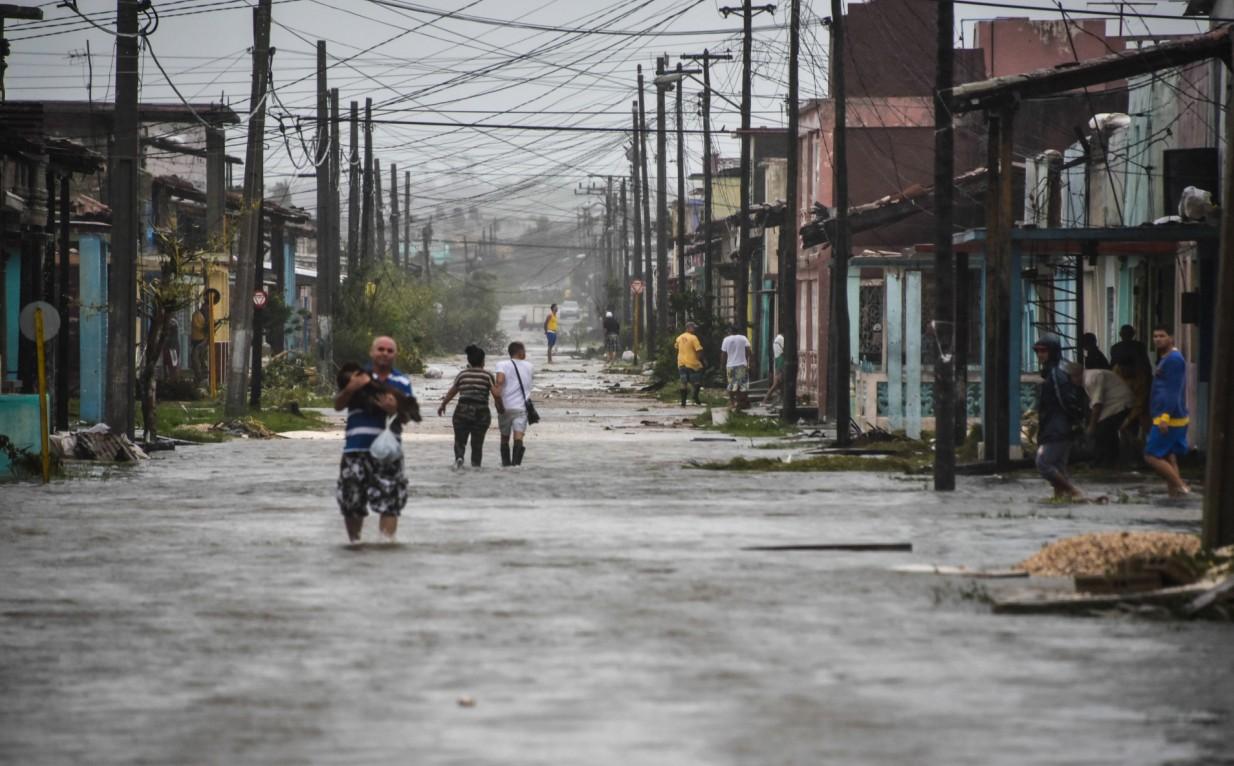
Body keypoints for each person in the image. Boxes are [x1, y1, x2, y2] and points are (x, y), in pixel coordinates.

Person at [333, 335, 414, 542]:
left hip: (388, 453)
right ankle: (355, 544)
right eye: (380, 349)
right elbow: (338, 405)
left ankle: (386, 546)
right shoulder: (358, 376)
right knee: (352, 503)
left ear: (395, 355)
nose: (385, 353)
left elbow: (406, 417)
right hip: (355, 450)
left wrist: (394, 409)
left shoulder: (402, 382)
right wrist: (351, 388)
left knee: (390, 502)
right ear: (372, 352)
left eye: (389, 350)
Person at [1033, 335, 1088, 501]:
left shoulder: (1057, 374)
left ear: (1053, 352)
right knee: (1058, 466)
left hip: (1058, 428)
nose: (1040, 355)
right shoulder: (1052, 373)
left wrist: (1073, 422)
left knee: (1043, 464)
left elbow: (1066, 401)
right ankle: (1062, 498)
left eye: (1044, 351)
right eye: (1037, 351)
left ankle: (1073, 492)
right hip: (1054, 426)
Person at [438, 344, 502, 469]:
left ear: (469, 361)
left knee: (460, 440)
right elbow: (495, 394)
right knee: (477, 444)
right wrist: (500, 407)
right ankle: (476, 467)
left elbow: (452, 391)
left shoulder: (462, 375)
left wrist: (443, 404)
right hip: (481, 412)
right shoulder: (487, 375)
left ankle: (459, 458)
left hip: (462, 410)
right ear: (483, 361)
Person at [1144, 325, 1190, 496]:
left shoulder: (1174, 360)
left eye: (1162, 336)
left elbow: (1173, 389)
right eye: (1155, 336)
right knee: (1168, 456)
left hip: (1169, 417)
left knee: (1151, 455)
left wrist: (1165, 416)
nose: (1157, 339)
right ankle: (1175, 493)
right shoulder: (1166, 358)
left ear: (1171, 337)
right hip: (1165, 415)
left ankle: (1181, 487)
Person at [1082, 367, 1133, 468]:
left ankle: (1107, 461)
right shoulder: (1089, 378)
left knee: (1104, 430)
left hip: (1120, 404)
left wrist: (1092, 426)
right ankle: (1107, 460)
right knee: (1105, 429)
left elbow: (1097, 404)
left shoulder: (1092, 378)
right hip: (1115, 404)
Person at [495, 341, 535, 466]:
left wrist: (498, 403)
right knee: (518, 438)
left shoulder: (501, 364)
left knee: (504, 438)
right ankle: (516, 466)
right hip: (521, 409)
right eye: (524, 351)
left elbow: (499, 382)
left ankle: (505, 465)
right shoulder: (530, 366)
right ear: (520, 352)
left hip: (505, 408)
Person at [1110, 324, 1152, 437]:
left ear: (1120, 335)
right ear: (1133, 334)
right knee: (1138, 414)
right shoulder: (1139, 347)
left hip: (1122, 391)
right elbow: (1147, 367)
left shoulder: (1115, 349)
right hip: (1137, 385)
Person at [720, 326, 754, 411]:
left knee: (732, 385)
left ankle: (732, 403)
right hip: (742, 365)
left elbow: (723, 354)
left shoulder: (726, 340)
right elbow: (749, 351)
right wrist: (750, 362)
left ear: (729, 332)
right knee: (743, 386)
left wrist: (722, 365)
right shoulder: (743, 338)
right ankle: (741, 403)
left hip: (730, 365)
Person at [674, 320, 705, 407]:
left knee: (683, 382)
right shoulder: (693, 338)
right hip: (693, 363)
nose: (694, 329)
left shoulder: (679, 338)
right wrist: (701, 360)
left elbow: (676, 347)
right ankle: (695, 396)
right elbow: (698, 350)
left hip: (681, 363)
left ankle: (683, 402)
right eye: (693, 327)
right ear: (688, 328)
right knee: (697, 381)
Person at [763, 332, 785, 405]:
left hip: (778, 360)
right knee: (776, 383)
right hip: (781, 361)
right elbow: (785, 350)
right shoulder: (781, 339)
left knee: (781, 383)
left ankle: (781, 399)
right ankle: (765, 400)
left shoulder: (776, 339)